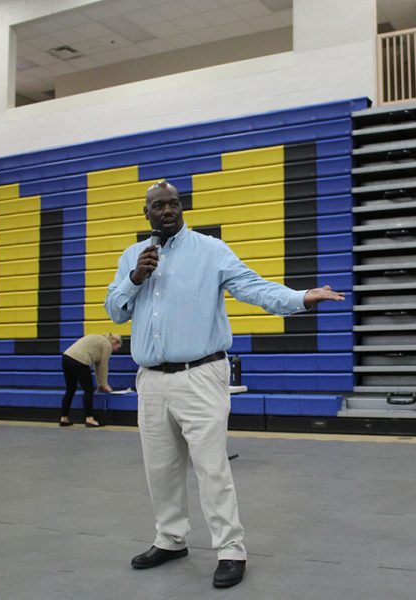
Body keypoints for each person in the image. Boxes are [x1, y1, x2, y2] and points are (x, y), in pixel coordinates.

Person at [104, 180, 343, 589]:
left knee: (211, 467)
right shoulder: (133, 256)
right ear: (146, 214)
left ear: (182, 208)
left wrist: (301, 297)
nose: (167, 211)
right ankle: (171, 538)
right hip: (151, 380)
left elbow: (253, 287)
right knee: (160, 468)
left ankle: (231, 549)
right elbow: (115, 311)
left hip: (200, 375)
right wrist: (134, 277)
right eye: (158, 206)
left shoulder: (210, 251)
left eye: (174, 204)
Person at [59, 333, 122, 428]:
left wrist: (101, 384)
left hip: (66, 357)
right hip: (80, 360)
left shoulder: (98, 338)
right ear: (115, 342)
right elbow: (102, 365)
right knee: (88, 390)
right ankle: (89, 419)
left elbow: (97, 365)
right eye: (117, 347)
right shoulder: (107, 345)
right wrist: (104, 384)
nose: (116, 350)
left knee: (70, 389)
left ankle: (64, 418)